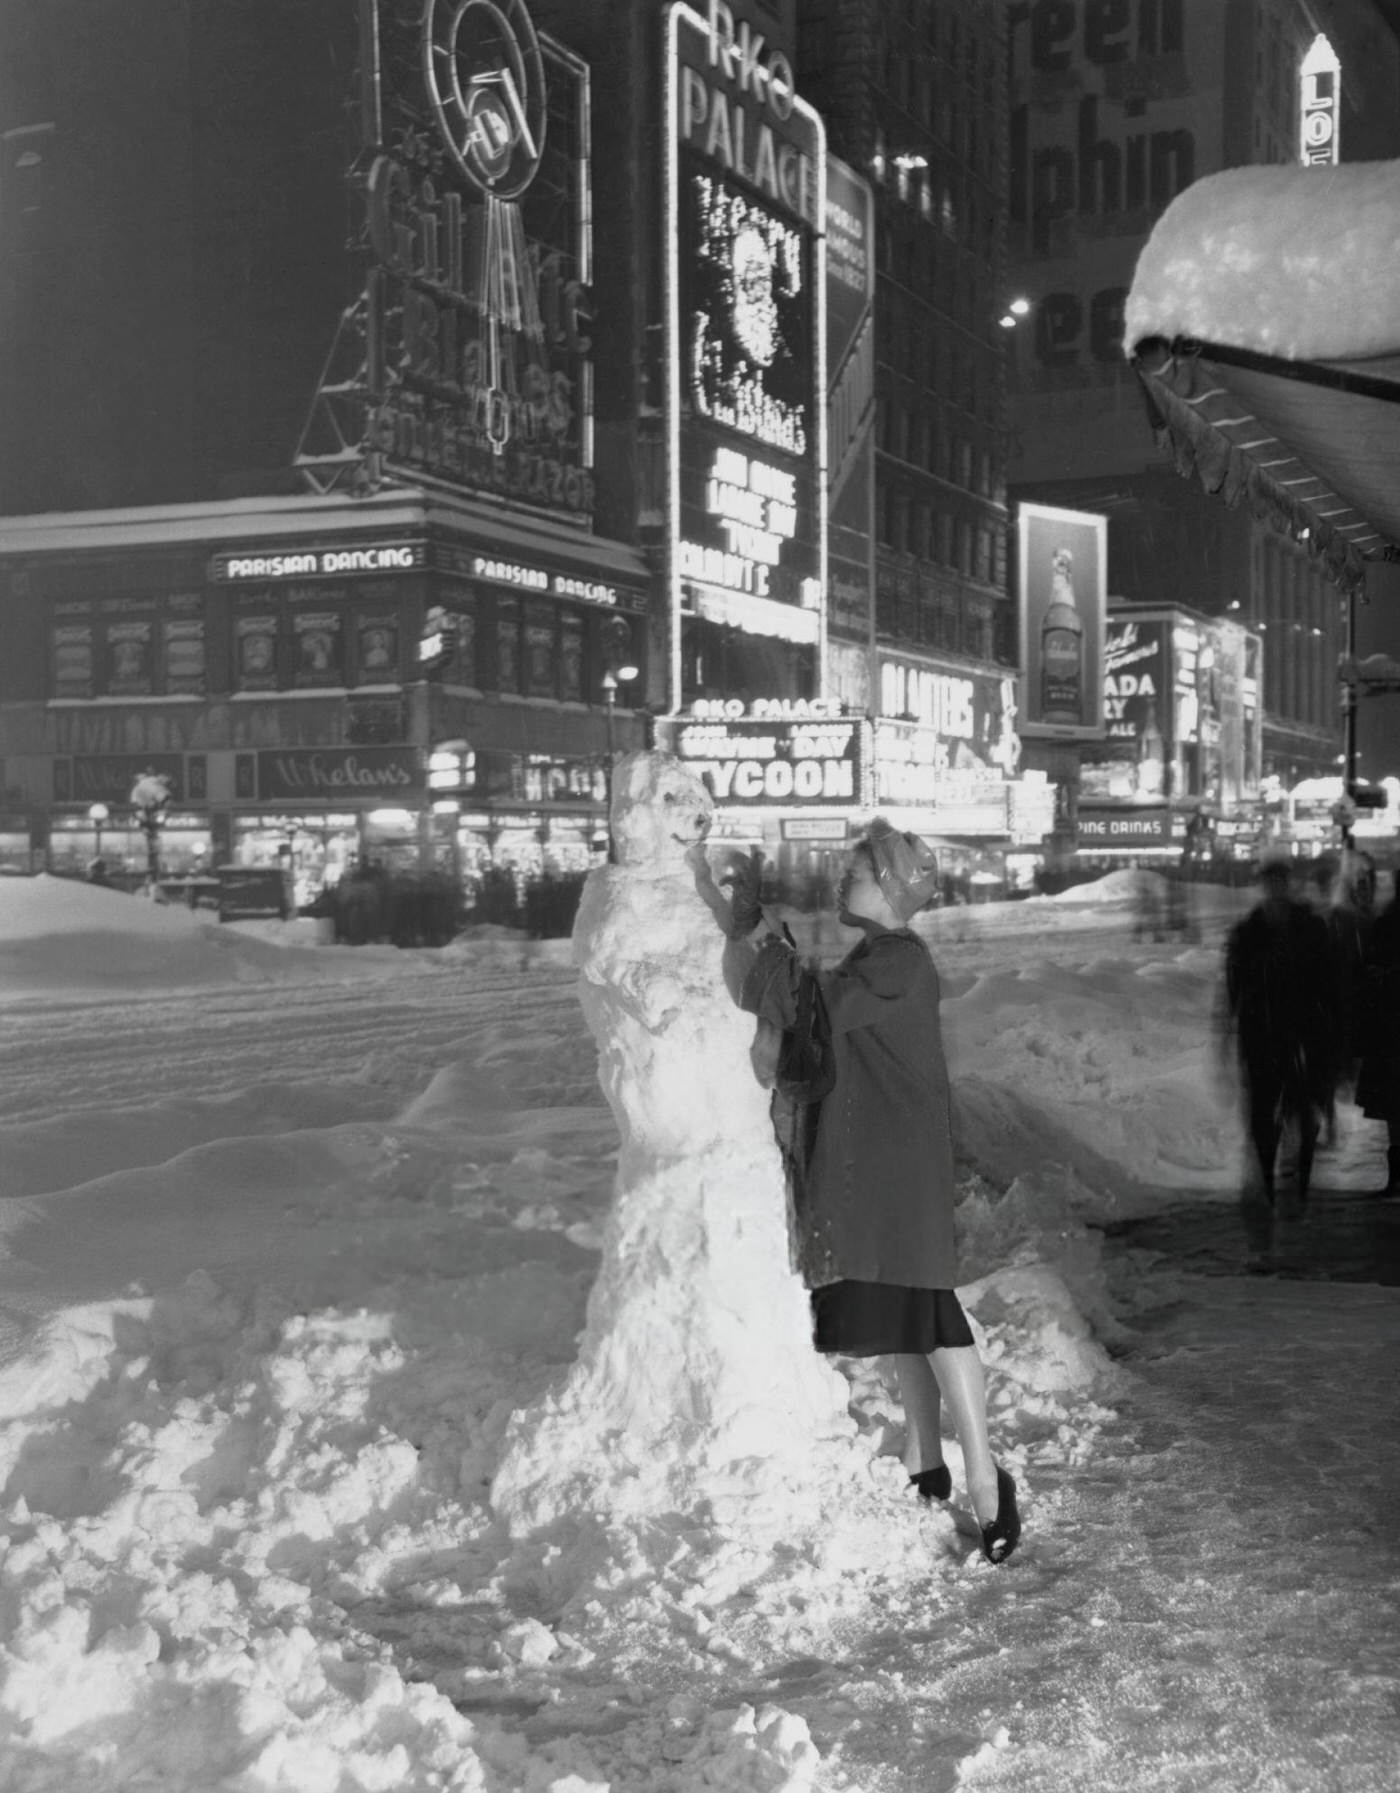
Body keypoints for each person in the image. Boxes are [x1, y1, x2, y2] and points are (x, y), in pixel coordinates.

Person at [725, 820, 1021, 1565]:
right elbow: (819, 1011)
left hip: (901, 1164)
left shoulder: (901, 961)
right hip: (877, 1158)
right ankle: (928, 1467)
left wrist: (759, 934)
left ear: (887, 890)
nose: (841, 883)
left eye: (854, 874)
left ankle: (986, 1478)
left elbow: (817, 1007)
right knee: (899, 1311)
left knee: (928, 1309)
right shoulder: (875, 954)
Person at [1219, 855, 1334, 1203]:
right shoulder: (1247, 932)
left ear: (1287, 884)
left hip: (1302, 1033)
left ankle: (1301, 1178)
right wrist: (1228, 1028)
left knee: (1303, 1109)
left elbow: (1326, 982)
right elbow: (1234, 986)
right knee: (1262, 1111)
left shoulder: (1309, 927)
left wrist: (1328, 1030)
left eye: (1280, 882)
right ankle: (1269, 1180)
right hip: (1260, 1033)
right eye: (1269, 882)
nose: (1275, 889)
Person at [1353, 882, 1400, 1197]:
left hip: (1389, 1034)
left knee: (1395, 1113)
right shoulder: (1385, 925)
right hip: (1389, 1031)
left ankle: (1395, 1176)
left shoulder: (1385, 925)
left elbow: (1368, 980)